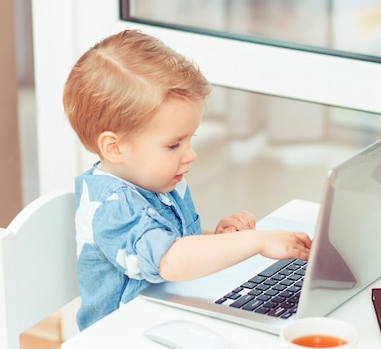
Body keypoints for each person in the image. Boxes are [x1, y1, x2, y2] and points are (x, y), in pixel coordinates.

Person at [63, 29, 312, 330]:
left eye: (190, 139)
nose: (190, 154)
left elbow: (176, 245)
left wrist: (220, 241)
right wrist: (254, 241)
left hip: (167, 316)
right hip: (122, 338)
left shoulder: (159, 181)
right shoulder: (112, 207)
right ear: (115, 148)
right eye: (173, 145)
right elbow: (168, 260)